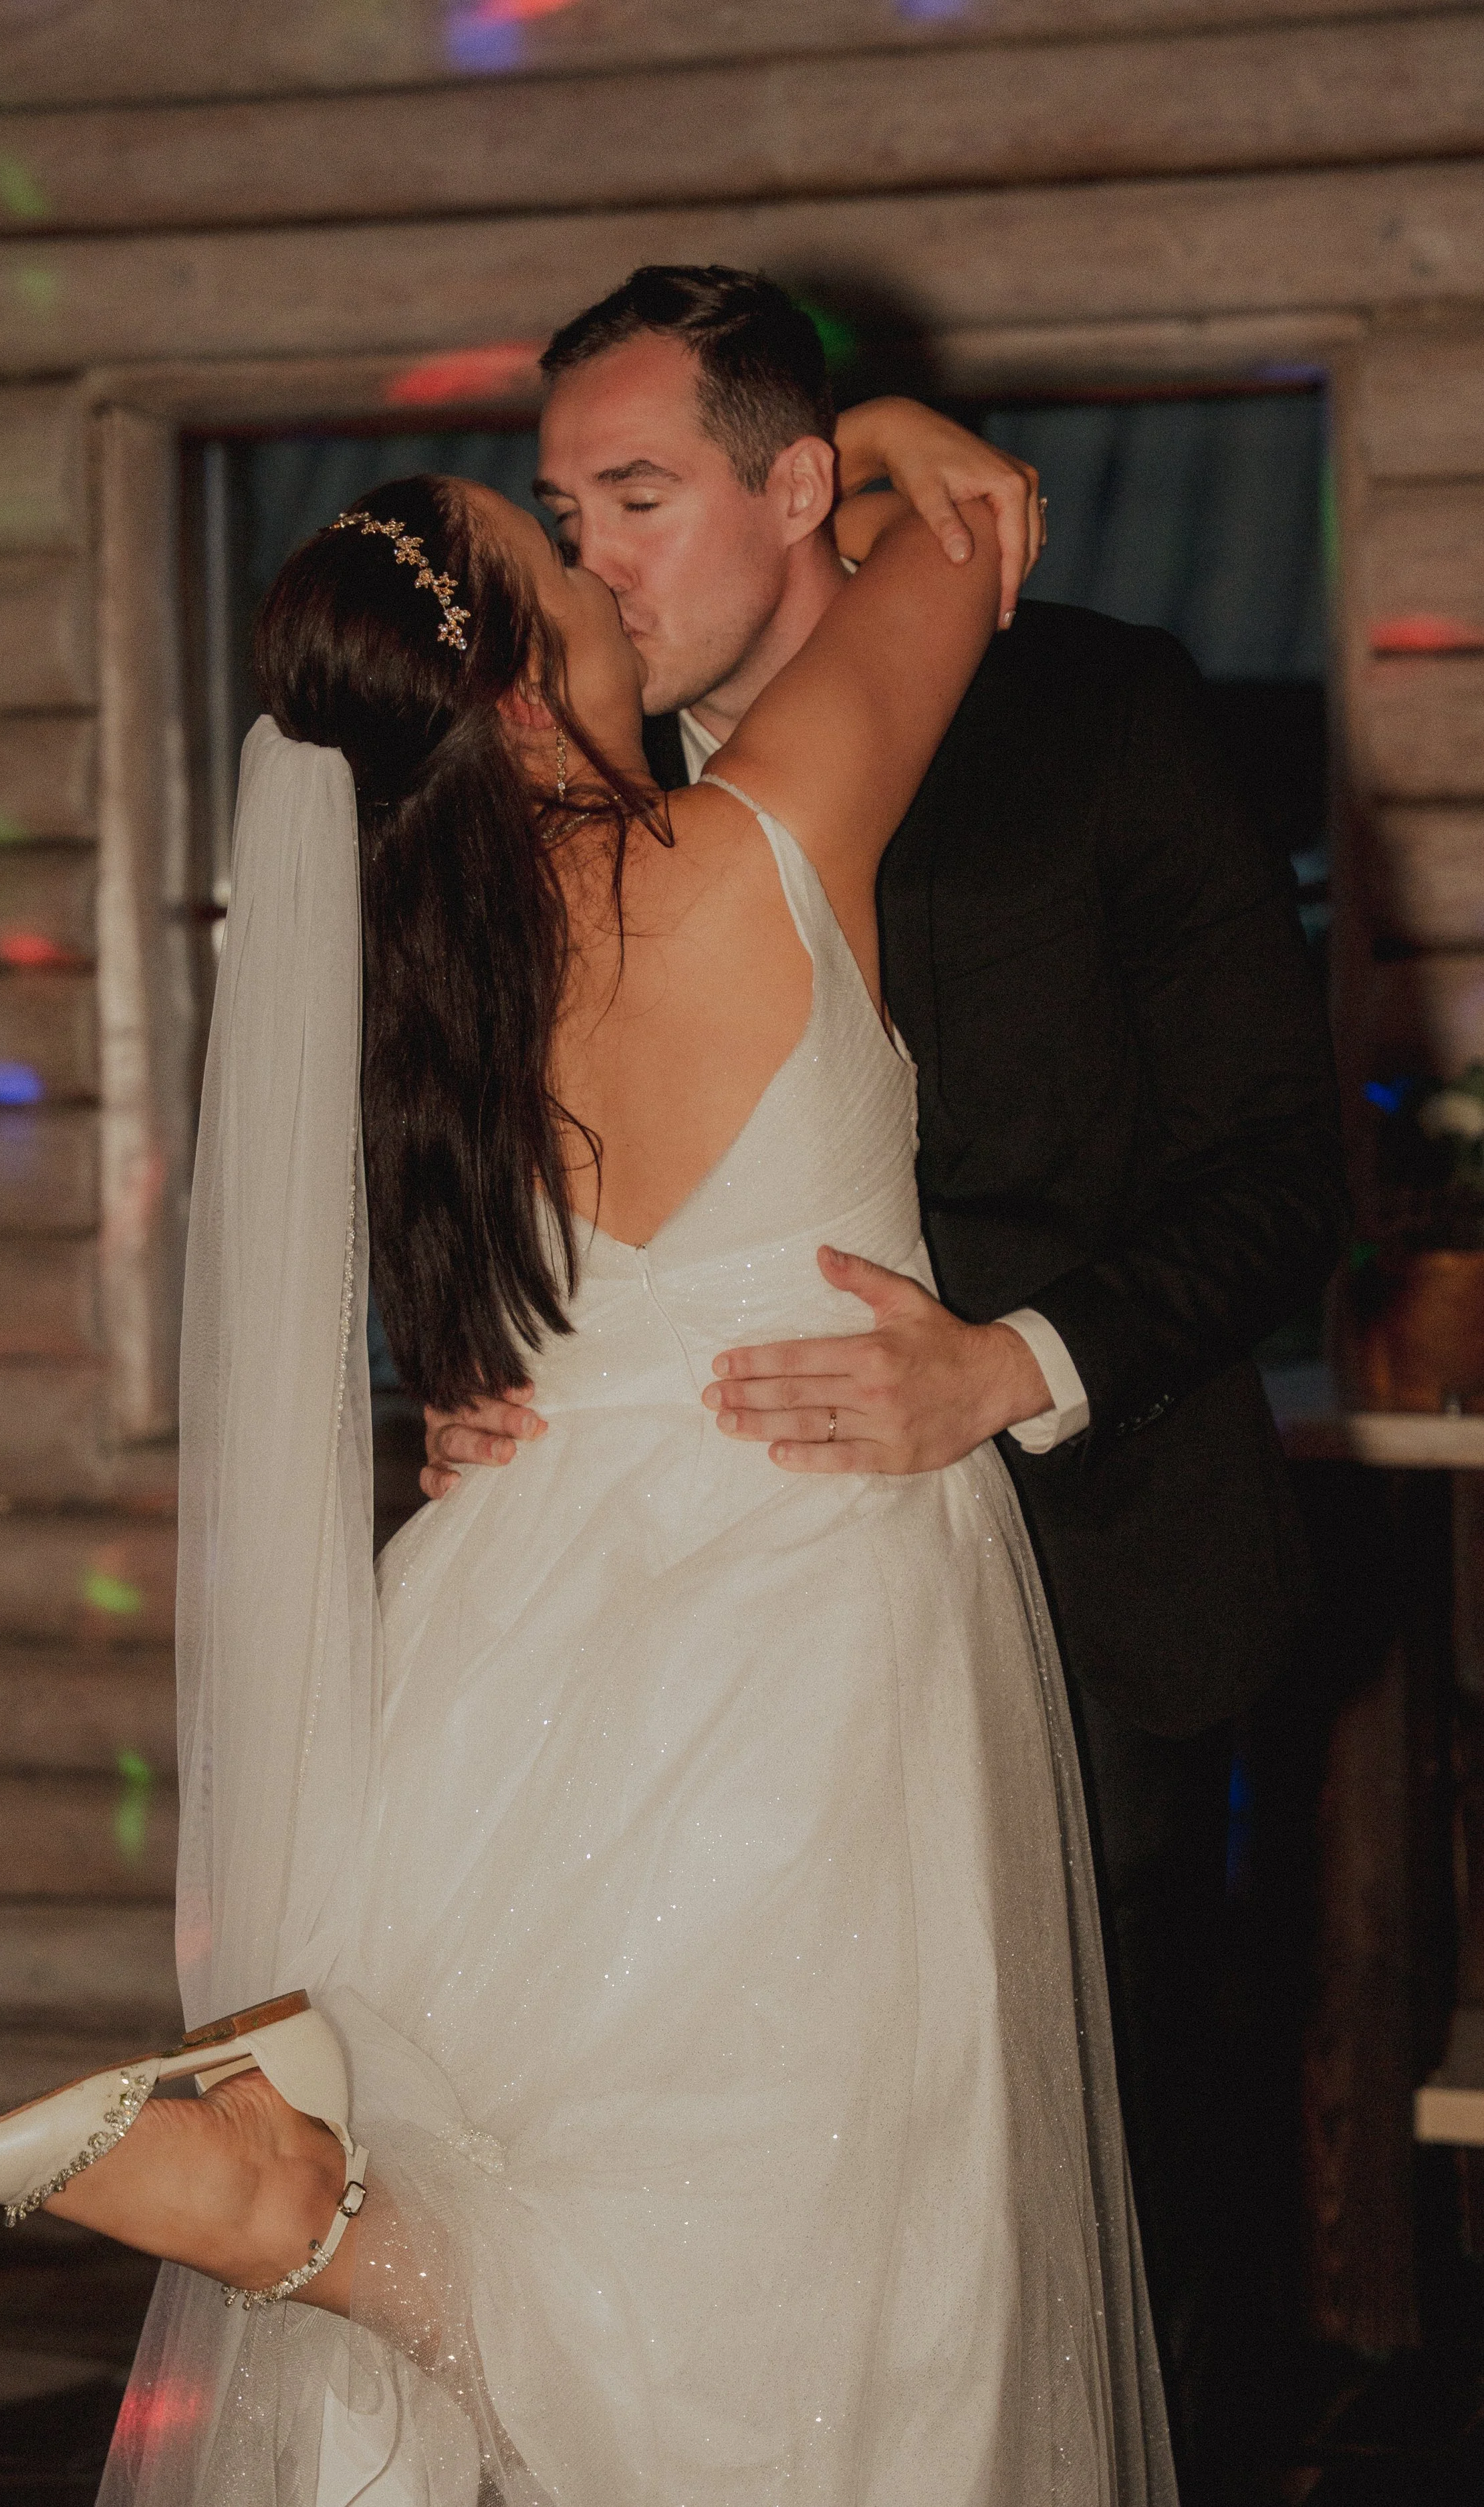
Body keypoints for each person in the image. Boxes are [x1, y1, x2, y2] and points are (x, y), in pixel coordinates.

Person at [0, 397, 1174, 2507]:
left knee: (576, 2166)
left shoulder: (422, 990)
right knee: (832, 2274)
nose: (615, 574)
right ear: (511, 661)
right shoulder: (747, 846)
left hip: (503, 1611)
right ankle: (323, 2228)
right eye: (569, 557)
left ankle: (332, 2226)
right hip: (795, 1605)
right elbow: (976, 517)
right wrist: (863, 428)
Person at [424, 265, 1350, 2502]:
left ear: (797, 488)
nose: (591, 559)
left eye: (634, 497)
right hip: (730, 1679)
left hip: (1101, 1579)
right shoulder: (570, 811)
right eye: (566, 509)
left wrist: (1010, 1365)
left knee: (1123, 2248)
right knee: (773, 2238)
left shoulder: (1104, 716)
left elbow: (1287, 1165)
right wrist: (478, 1389)